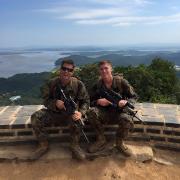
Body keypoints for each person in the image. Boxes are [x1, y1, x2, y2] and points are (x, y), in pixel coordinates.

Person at [31, 59, 90, 160]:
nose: (66, 71)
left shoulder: (78, 84)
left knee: (78, 122)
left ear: (73, 72)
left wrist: (81, 113)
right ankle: (43, 144)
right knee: (35, 117)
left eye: (69, 70)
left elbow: (86, 101)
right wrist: (55, 103)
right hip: (54, 113)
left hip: (70, 114)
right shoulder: (52, 83)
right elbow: (45, 100)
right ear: (60, 69)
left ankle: (74, 145)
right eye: (64, 68)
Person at [87, 60, 137, 157]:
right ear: (99, 71)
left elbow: (134, 96)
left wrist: (126, 102)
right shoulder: (97, 85)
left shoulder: (121, 82)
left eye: (106, 68)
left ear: (111, 69)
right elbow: (88, 100)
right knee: (91, 112)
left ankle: (119, 143)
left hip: (119, 112)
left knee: (126, 120)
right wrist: (97, 102)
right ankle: (101, 139)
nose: (104, 71)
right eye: (101, 69)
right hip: (104, 112)